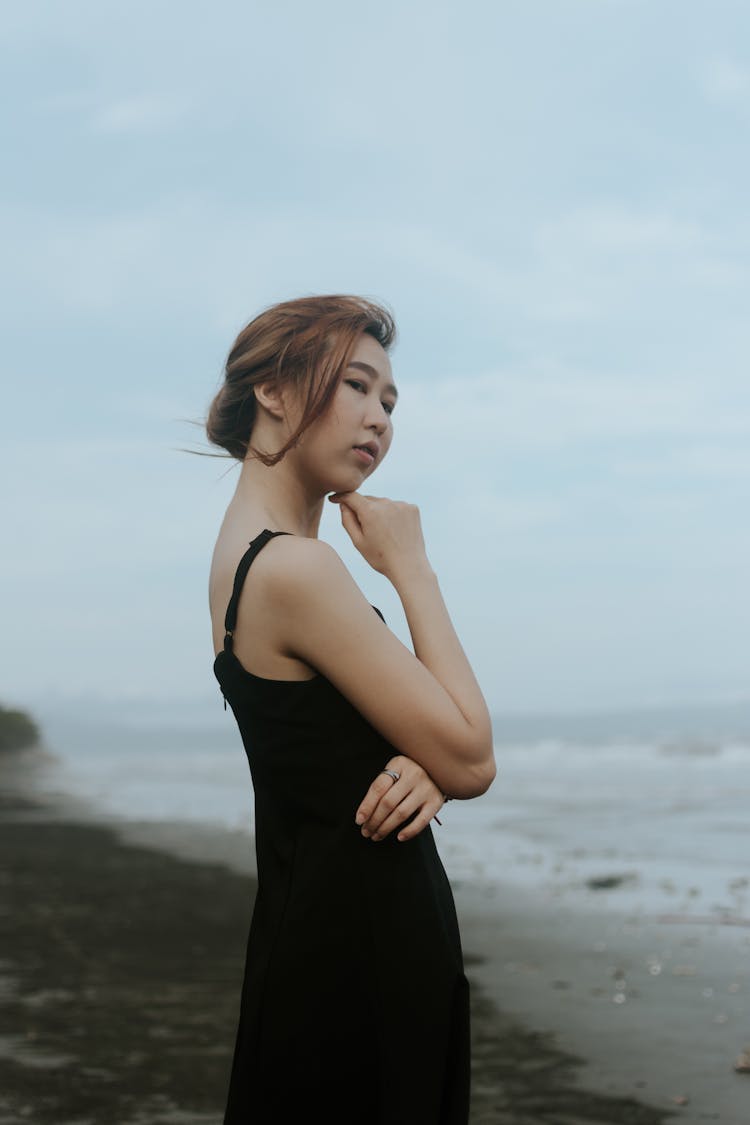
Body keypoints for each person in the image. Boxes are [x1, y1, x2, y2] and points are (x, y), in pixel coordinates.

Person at [206, 294, 495, 1124]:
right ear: (276, 389)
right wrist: (411, 568)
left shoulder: (249, 558)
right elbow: (473, 754)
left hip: (316, 935)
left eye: (391, 402)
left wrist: (420, 761)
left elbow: (347, 746)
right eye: (358, 386)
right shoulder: (297, 571)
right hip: (359, 958)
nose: (379, 419)